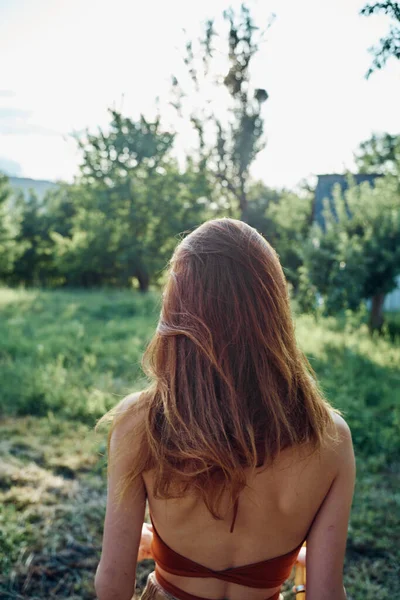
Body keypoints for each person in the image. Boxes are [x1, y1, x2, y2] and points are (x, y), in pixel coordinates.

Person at [95, 218, 356, 600]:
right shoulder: (329, 439)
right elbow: (326, 594)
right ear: (276, 310)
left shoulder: (140, 422)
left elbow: (112, 585)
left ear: (177, 309)